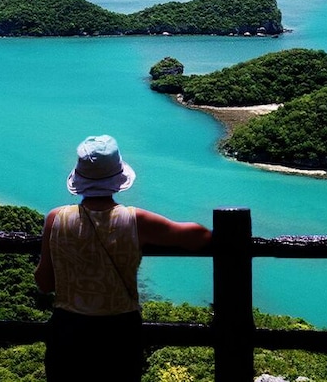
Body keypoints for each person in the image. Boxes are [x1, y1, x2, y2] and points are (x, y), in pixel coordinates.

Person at [34, 134, 212, 382]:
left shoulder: (55, 218)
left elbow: (44, 282)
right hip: (118, 331)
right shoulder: (135, 220)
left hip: (68, 330)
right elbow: (198, 235)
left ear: (79, 178)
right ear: (118, 179)